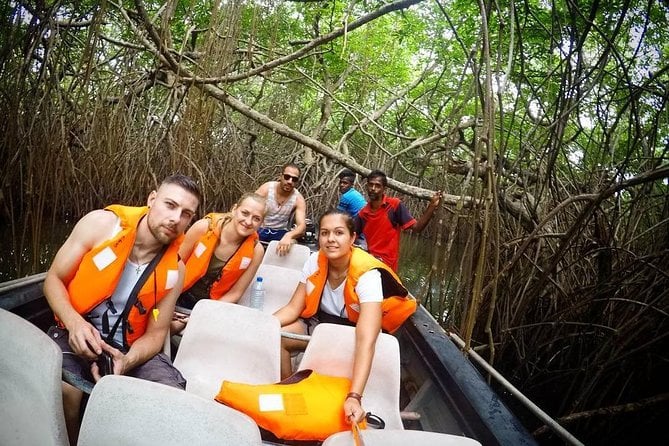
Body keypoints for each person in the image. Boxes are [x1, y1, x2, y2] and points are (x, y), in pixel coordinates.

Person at [43, 174, 201, 444]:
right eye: (170, 205)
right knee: (68, 391)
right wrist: (75, 323)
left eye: (186, 214)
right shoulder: (100, 225)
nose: (176, 218)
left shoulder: (176, 269)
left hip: (127, 347)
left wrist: (127, 361)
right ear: (152, 199)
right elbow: (53, 280)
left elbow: (156, 334)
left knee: (172, 398)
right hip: (73, 330)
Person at [273, 209, 416, 425]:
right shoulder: (314, 262)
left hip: (352, 337)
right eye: (325, 233)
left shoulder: (367, 275)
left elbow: (366, 340)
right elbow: (293, 309)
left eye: (339, 233)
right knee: (280, 337)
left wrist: (354, 397)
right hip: (320, 328)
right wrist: (262, 326)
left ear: (352, 238)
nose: (330, 239)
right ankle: (288, 393)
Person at [171, 193, 267, 333]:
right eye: (245, 213)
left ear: (262, 223)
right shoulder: (204, 228)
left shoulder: (256, 251)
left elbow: (236, 293)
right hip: (177, 296)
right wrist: (168, 304)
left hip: (212, 307)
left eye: (256, 218)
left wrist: (201, 314)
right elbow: (173, 267)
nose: (248, 221)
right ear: (234, 209)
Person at [355, 170, 442, 272]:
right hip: (370, 264)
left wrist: (432, 206)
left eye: (377, 186)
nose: (373, 189)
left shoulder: (394, 206)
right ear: (367, 186)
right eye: (371, 185)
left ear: (384, 189)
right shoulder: (363, 214)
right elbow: (351, 236)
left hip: (388, 267)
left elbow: (417, 228)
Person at [255, 163, 307, 256]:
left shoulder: (298, 199)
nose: (290, 181)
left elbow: (302, 227)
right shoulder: (267, 188)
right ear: (280, 176)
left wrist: (289, 235)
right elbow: (250, 205)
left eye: (294, 179)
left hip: (280, 232)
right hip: (260, 228)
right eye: (287, 177)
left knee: (293, 243)